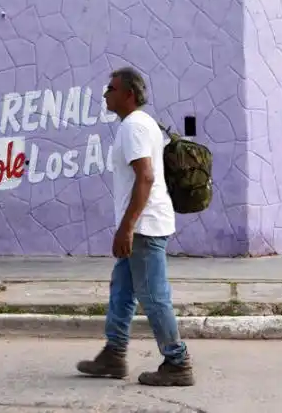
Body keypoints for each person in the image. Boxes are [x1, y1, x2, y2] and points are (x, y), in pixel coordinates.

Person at [76, 66, 194, 387]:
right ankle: (114, 354)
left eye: (111, 89)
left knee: (153, 296)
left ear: (128, 94)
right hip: (143, 224)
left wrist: (127, 227)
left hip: (144, 228)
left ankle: (177, 361)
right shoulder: (140, 124)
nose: (105, 94)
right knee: (123, 290)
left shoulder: (134, 128)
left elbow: (145, 176)